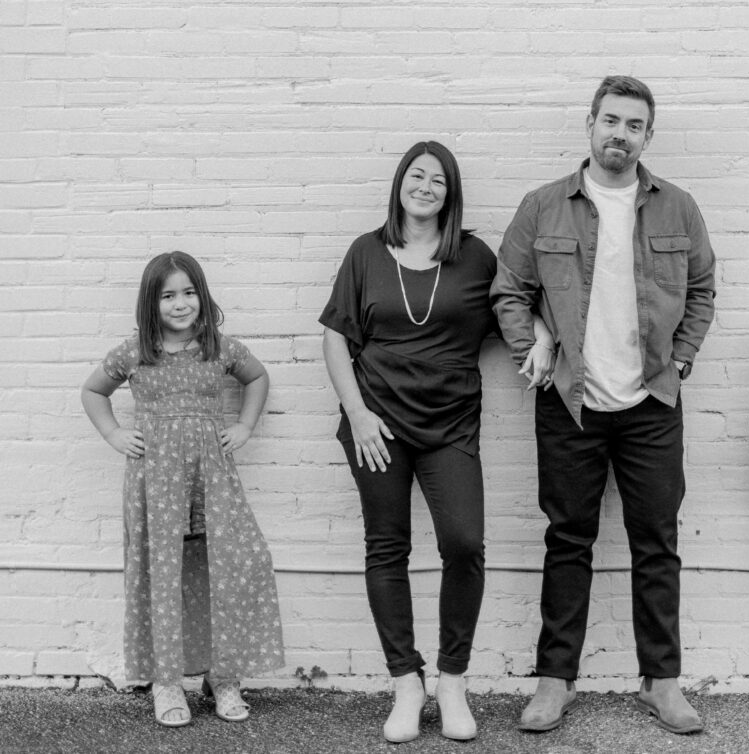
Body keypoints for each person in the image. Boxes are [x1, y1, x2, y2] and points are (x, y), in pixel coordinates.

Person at [491, 75, 716, 735]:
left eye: (634, 125)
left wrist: (680, 358)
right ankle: (555, 682)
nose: (620, 134)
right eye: (611, 120)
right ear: (590, 123)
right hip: (571, 401)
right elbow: (509, 288)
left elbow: (701, 287)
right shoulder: (543, 207)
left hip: (652, 401)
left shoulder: (678, 207)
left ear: (649, 135)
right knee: (567, 540)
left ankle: (662, 683)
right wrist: (528, 346)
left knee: (657, 543)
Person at [320, 141, 553, 744]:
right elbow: (335, 338)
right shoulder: (366, 253)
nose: (425, 186)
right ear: (400, 183)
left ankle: (452, 679)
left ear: (451, 194)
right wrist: (358, 414)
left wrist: (545, 336)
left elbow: (515, 304)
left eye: (438, 180)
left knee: (464, 543)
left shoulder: (473, 257)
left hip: (450, 425)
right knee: (386, 548)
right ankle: (406, 682)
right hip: (377, 427)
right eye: (416, 176)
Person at [81, 251, 285, 728]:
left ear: (203, 295)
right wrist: (114, 434)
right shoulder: (134, 352)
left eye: (189, 292)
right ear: (150, 303)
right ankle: (166, 678)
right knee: (164, 572)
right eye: (168, 295)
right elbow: (93, 392)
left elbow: (257, 378)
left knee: (230, 564)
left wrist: (245, 425)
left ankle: (223, 674)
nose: (180, 303)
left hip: (212, 478)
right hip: (156, 482)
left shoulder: (221, 349)